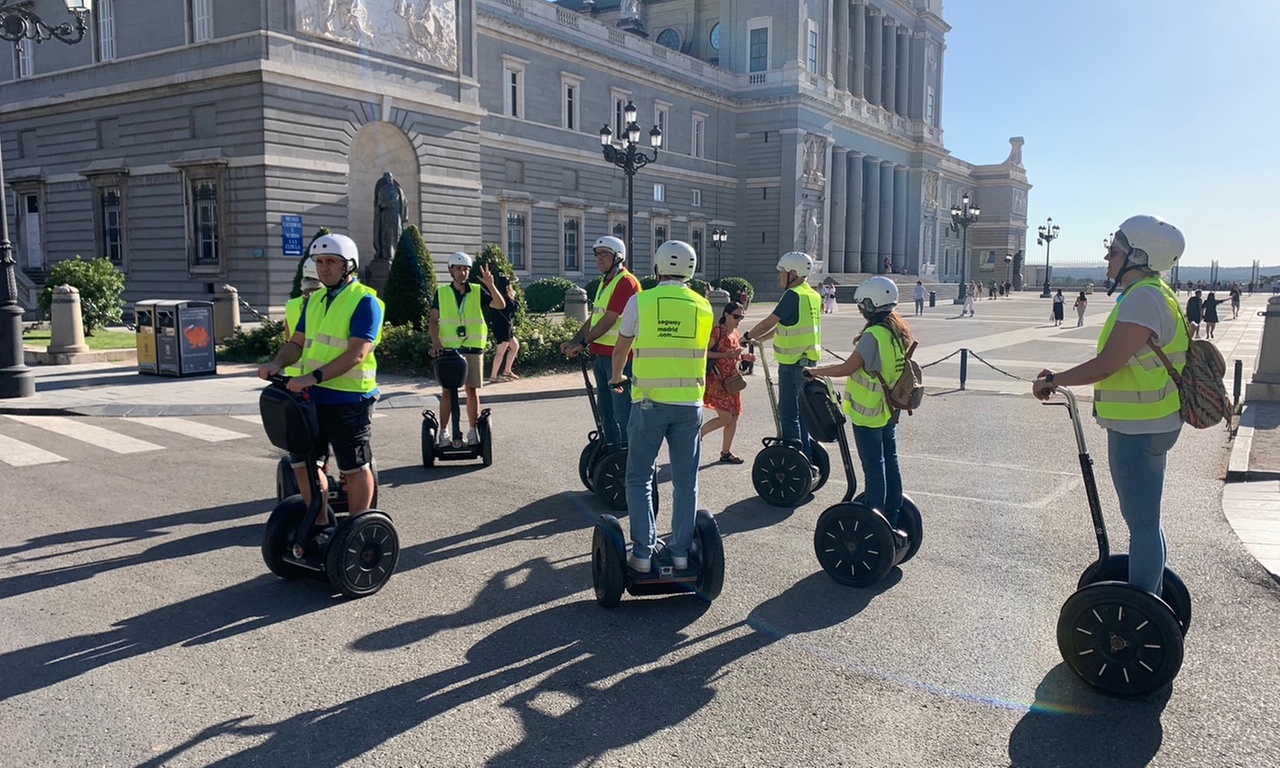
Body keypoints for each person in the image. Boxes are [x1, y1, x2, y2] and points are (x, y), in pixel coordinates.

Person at [1032, 214, 1187, 597]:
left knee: (1142, 522)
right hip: (1152, 421)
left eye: (1114, 251)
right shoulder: (1155, 293)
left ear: (1138, 257)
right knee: (1147, 519)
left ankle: (1143, 605)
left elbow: (1107, 365)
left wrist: (1054, 381)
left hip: (1140, 425)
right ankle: (1150, 595)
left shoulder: (1144, 299)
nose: (1107, 257)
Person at [257, 233, 384, 542]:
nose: (324, 268)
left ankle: (357, 531)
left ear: (348, 265)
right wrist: (277, 363)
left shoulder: (365, 300)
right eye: (319, 262)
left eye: (331, 262)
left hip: (349, 398)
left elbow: (357, 353)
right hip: (309, 397)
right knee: (302, 462)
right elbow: (296, 343)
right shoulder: (314, 301)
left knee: (354, 467)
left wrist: (312, 377)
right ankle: (322, 524)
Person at [609, 240, 713, 573]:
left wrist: (615, 378)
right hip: (689, 404)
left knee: (639, 477)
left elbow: (621, 347)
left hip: (650, 402)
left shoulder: (640, 301)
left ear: (656, 268)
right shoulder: (704, 306)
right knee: (686, 481)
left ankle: (642, 554)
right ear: (691, 271)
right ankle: (681, 552)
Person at [805, 276, 913, 543]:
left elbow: (847, 368)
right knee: (891, 463)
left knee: (874, 468)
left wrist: (814, 371)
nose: (860, 309)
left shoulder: (873, 334)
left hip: (869, 412)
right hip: (889, 410)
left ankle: (875, 521)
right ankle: (892, 517)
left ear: (871, 304)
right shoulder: (896, 331)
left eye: (862, 304)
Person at [560, 236, 642, 447]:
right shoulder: (605, 283)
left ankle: (627, 455)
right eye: (597, 254)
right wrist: (574, 340)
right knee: (605, 412)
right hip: (602, 357)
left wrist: (582, 344)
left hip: (622, 359)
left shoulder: (626, 282)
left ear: (618, 257)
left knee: (622, 412)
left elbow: (609, 320)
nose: (599, 258)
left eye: (605, 253)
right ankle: (612, 452)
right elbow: (595, 319)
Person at [743, 251, 822, 463]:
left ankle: (793, 457)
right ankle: (807, 455)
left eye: (782, 273)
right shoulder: (812, 295)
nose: (779, 277)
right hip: (809, 362)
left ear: (793, 274)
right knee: (803, 413)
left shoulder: (793, 295)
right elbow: (784, 326)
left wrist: (747, 335)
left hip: (792, 364)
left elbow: (771, 321)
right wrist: (759, 340)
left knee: (787, 413)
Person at [429, 252, 506, 445]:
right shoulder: (442, 293)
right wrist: (436, 342)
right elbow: (433, 320)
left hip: (473, 347)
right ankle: (444, 432)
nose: (462, 273)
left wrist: (490, 284)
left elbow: (500, 304)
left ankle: (472, 431)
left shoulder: (478, 291)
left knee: (471, 390)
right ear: (451, 271)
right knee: (447, 391)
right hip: (449, 349)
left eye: (465, 269)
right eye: (458, 269)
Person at [702, 301, 749, 464]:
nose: (739, 320)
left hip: (732, 380)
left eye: (741, 317)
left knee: (734, 416)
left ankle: (726, 452)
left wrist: (743, 357)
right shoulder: (718, 331)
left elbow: (733, 355)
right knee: (725, 417)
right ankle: (697, 436)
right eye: (736, 316)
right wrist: (726, 355)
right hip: (717, 380)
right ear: (726, 315)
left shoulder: (735, 333)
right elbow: (705, 353)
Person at [283, 257, 323, 377]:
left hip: (293, 371)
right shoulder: (326, 303)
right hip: (318, 373)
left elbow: (288, 337)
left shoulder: (291, 304)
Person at [488, 275, 521, 383]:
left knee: (515, 346)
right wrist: (514, 297)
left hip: (504, 326)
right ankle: (493, 376)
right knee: (500, 352)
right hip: (504, 328)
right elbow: (513, 308)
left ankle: (507, 370)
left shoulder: (498, 296)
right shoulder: (507, 297)